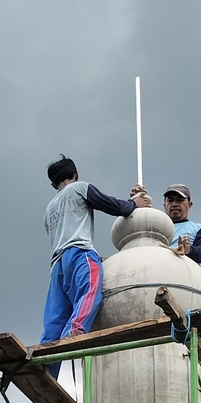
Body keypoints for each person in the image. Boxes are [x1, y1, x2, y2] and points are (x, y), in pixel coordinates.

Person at [39, 155, 150, 374]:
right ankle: (75, 330)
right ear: (76, 174)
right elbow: (112, 205)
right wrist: (133, 204)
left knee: (56, 315)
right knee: (89, 294)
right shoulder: (80, 188)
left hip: (57, 265)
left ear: (53, 184)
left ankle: (46, 367)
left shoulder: (49, 210)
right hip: (79, 254)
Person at [162, 184, 201, 264]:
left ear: (189, 205)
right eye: (170, 200)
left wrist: (188, 250)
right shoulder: (156, 228)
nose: (174, 204)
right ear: (164, 205)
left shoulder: (199, 229)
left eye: (180, 200)